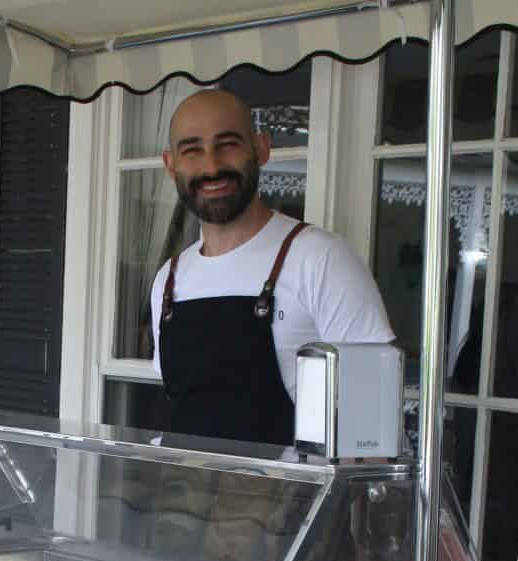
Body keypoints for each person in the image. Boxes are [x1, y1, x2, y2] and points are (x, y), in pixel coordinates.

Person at [150, 89, 394, 446]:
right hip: (189, 497)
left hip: (293, 500)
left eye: (228, 144)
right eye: (192, 150)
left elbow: (371, 426)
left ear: (261, 148)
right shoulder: (169, 281)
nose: (212, 166)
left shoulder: (319, 259)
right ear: (171, 165)